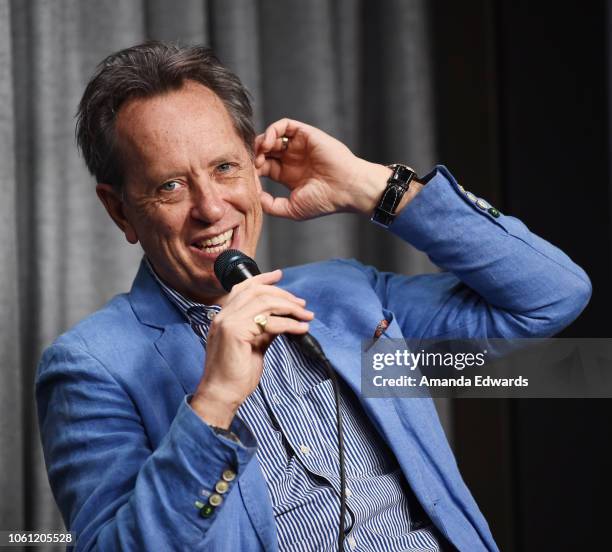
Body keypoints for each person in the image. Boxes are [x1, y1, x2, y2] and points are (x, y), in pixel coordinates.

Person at [36, 41, 591, 552]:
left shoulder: (347, 296)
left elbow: (549, 297)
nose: (211, 208)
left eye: (225, 168)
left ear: (255, 172)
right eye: (170, 186)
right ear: (119, 210)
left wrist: (377, 189)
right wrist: (214, 403)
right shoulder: (91, 366)